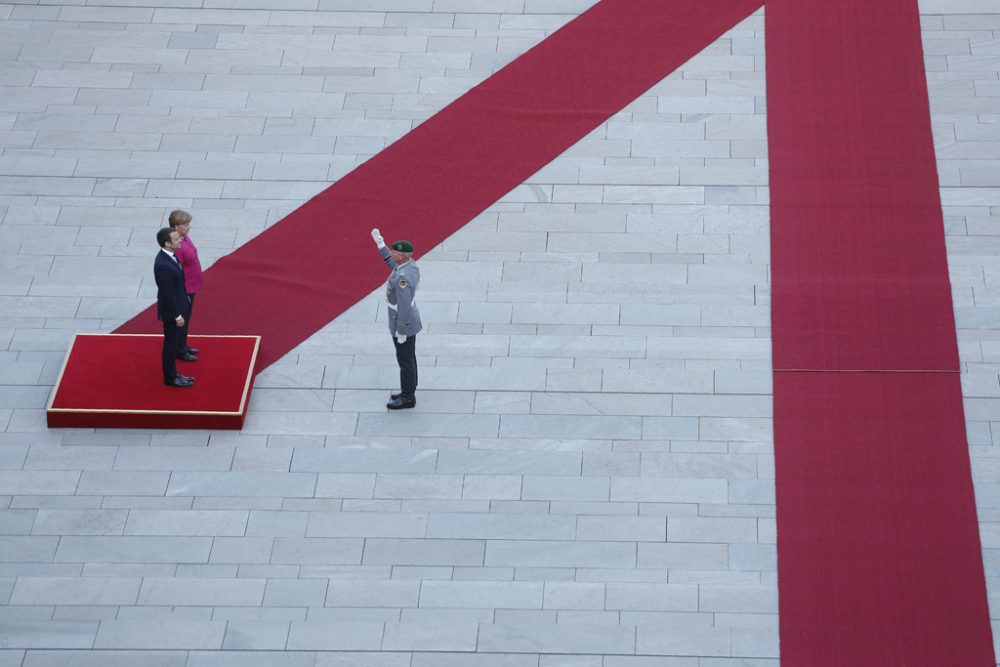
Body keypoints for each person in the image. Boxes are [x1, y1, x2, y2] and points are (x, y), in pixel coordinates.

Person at [371, 228, 421, 410]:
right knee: (409, 358)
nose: (392, 254)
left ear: (402, 256)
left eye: (394, 252)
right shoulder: (409, 266)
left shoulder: (402, 278)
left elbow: (405, 306)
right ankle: (409, 390)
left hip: (403, 323)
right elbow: (390, 262)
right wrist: (381, 245)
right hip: (407, 322)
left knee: (405, 360)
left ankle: (408, 397)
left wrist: (402, 329)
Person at [154, 228, 195, 388]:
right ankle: (170, 377)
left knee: (174, 342)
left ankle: (174, 373)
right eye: (176, 238)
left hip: (179, 304)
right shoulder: (163, 265)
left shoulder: (171, 256)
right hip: (173, 312)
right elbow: (167, 294)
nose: (180, 240)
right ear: (167, 243)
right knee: (170, 345)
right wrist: (177, 315)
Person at [168, 209, 202, 360]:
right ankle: (180, 350)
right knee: (183, 318)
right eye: (186, 224)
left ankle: (183, 345)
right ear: (176, 226)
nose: (189, 227)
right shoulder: (178, 245)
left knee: (187, 316)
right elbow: (178, 267)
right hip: (185, 286)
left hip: (192, 283)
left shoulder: (184, 238)